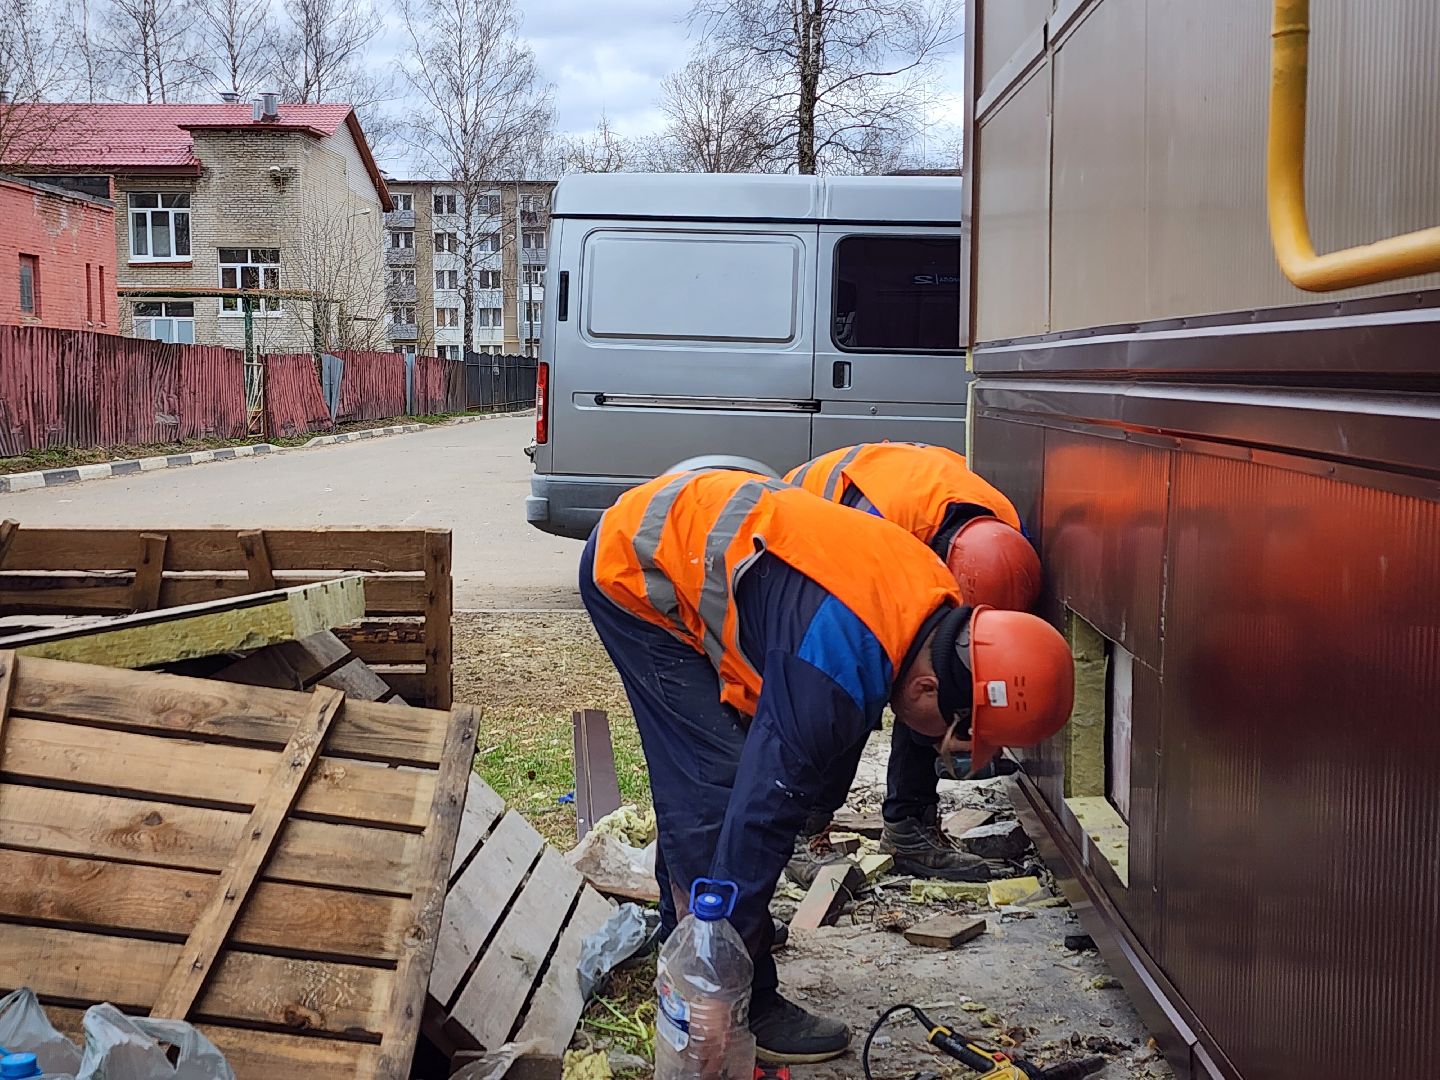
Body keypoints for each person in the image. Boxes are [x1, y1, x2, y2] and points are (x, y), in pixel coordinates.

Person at [580, 469, 1074, 1064]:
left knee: (731, 791)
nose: (952, 755)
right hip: (639, 570)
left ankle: (688, 938)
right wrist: (728, 952)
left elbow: (824, 741)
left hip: (703, 545)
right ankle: (727, 997)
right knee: (714, 791)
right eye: (954, 739)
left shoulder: (930, 600)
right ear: (925, 686)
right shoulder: (836, 669)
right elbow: (761, 813)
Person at [785, 442, 1043, 879]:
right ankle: (800, 829)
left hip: (904, 515)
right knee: (857, 681)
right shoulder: (872, 533)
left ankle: (910, 825)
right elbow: (845, 657)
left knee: (941, 681)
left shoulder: (1003, 539)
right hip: (811, 527)